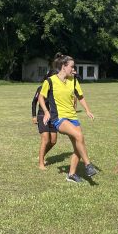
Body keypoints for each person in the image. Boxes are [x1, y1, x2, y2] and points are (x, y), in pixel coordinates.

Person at [38, 53, 97, 183]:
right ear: (64, 66)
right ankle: (88, 165)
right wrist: (46, 112)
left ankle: (71, 174)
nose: (73, 69)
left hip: (73, 116)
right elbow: (41, 97)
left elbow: (80, 96)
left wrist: (87, 110)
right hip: (59, 118)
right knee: (79, 136)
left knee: (78, 146)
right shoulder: (50, 81)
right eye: (72, 67)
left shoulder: (73, 80)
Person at [32, 70, 58, 170]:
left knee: (53, 141)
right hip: (42, 115)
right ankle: (41, 164)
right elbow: (34, 102)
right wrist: (34, 116)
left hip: (54, 117)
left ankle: (41, 156)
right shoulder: (41, 88)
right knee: (45, 139)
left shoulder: (57, 89)